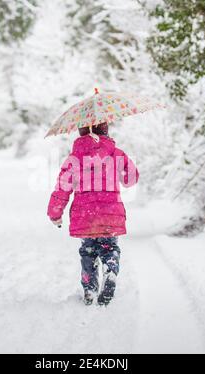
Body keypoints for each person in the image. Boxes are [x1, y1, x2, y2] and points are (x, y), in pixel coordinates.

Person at [47, 122, 139, 306]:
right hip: (110, 215)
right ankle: (110, 269)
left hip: (85, 216)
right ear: (105, 130)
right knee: (109, 248)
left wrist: (55, 213)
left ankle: (90, 289)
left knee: (88, 252)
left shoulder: (74, 158)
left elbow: (62, 188)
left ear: (81, 132)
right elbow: (131, 179)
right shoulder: (116, 153)